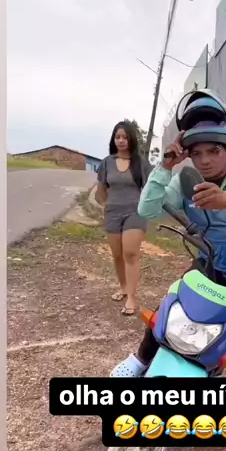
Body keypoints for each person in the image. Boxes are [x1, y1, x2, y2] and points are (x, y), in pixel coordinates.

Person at [110, 91, 226, 451]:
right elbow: (147, 208)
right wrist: (165, 167)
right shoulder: (186, 179)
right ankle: (141, 359)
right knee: (172, 307)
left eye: (214, 151)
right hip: (213, 265)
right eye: (197, 153)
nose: (206, 160)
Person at [95, 121, 151, 316]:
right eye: (117, 137)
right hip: (112, 213)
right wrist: (104, 205)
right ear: (113, 139)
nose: (121, 140)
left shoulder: (140, 162)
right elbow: (101, 189)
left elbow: (150, 187)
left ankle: (132, 298)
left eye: (125, 137)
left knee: (130, 253)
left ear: (131, 139)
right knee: (117, 255)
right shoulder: (107, 162)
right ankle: (123, 287)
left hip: (135, 212)